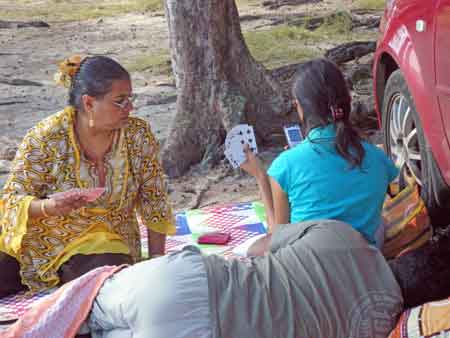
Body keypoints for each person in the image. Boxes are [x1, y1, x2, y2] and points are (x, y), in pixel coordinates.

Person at [7, 220, 401, 338]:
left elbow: (259, 247)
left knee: (80, 305)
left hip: (191, 279)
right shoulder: (381, 321)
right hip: (209, 331)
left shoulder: (343, 234)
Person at [0, 55, 175, 297]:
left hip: (108, 242)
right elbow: (11, 198)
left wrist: (157, 262)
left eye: (130, 99)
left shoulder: (137, 135)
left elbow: (154, 200)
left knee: (104, 286)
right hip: (46, 240)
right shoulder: (47, 137)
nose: (130, 108)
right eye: (120, 101)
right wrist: (49, 207)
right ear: (89, 103)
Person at [241, 58, 398, 245]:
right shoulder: (378, 158)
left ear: (300, 107)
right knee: (380, 223)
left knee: (255, 248)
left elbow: (277, 239)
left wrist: (260, 176)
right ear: (346, 102)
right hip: (364, 265)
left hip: (309, 267)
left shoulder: (285, 165)